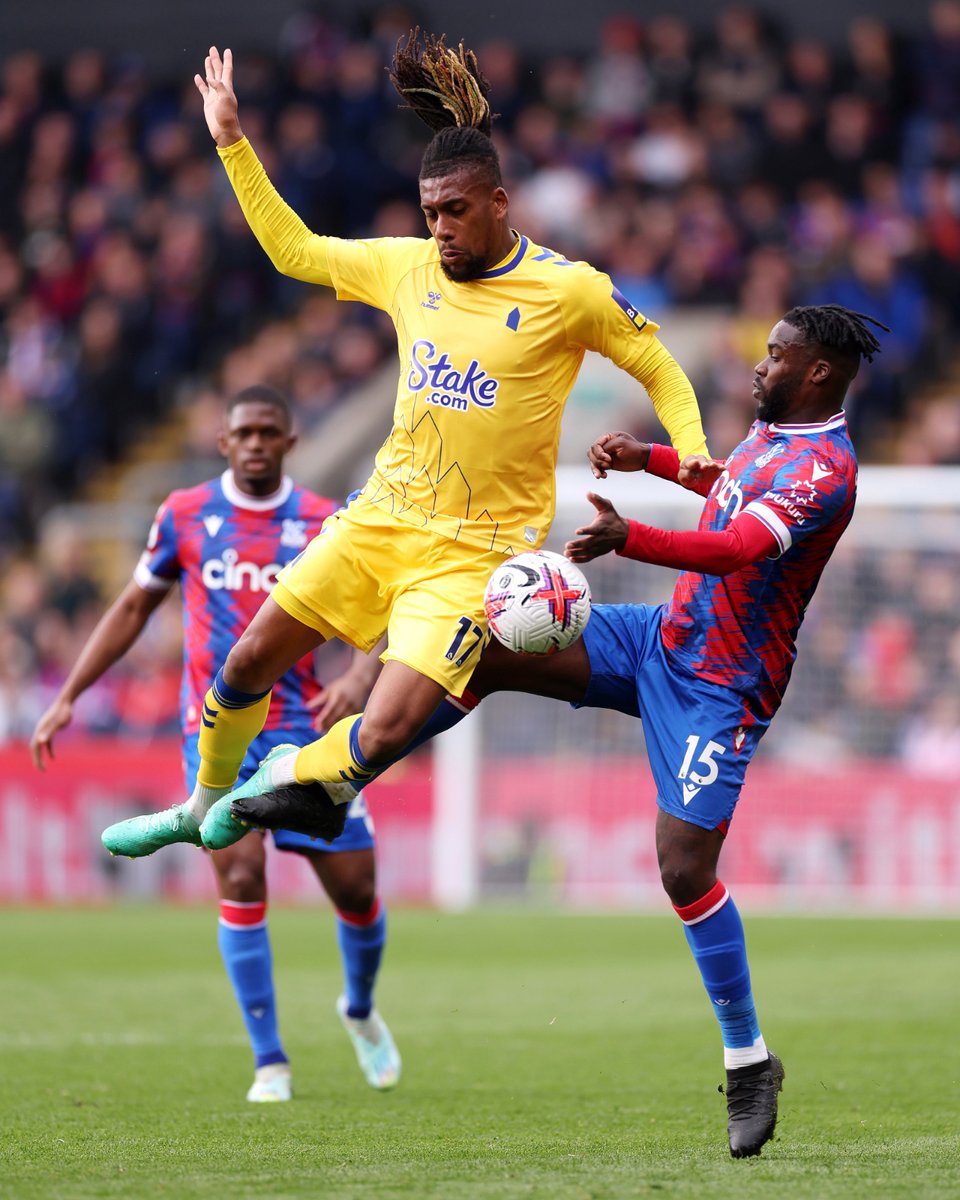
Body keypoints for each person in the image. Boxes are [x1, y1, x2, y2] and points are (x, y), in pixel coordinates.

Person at [227, 305, 887, 1157]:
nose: (760, 367)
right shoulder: (771, 436)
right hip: (661, 639)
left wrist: (628, 536)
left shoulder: (827, 469)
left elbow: (732, 548)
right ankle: (337, 789)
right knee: (489, 647)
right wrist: (645, 458)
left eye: (776, 356)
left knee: (683, 867)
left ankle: (749, 1060)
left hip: (721, 689)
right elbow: (725, 490)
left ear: (819, 373)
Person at [103, 32, 709, 859]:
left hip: (476, 556)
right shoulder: (408, 267)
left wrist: (692, 448)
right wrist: (232, 142)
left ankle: (273, 790)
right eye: (429, 213)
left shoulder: (567, 291)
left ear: (498, 202)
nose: (440, 230)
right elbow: (296, 251)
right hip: (380, 521)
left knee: (385, 726)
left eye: (454, 211)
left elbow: (659, 364)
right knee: (247, 662)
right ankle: (199, 804)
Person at [31, 386, 401, 1101]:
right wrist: (70, 692)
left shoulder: (326, 522)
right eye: (244, 432)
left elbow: (388, 598)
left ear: (291, 442)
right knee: (238, 876)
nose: (257, 442)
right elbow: (135, 604)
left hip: (302, 732)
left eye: (270, 431)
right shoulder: (185, 514)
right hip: (216, 735)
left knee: (356, 890)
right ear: (225, 442)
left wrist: (359, 673)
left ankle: (357, 1009)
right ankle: (271, 1062)